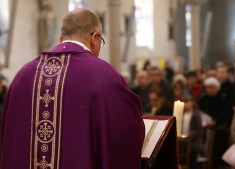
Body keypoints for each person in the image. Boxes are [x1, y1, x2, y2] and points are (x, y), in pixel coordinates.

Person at [0, 9, 145, 169]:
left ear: (61, 38)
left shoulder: (23, 75)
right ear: (94, 39)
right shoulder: (104, 76)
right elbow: (127, 133)